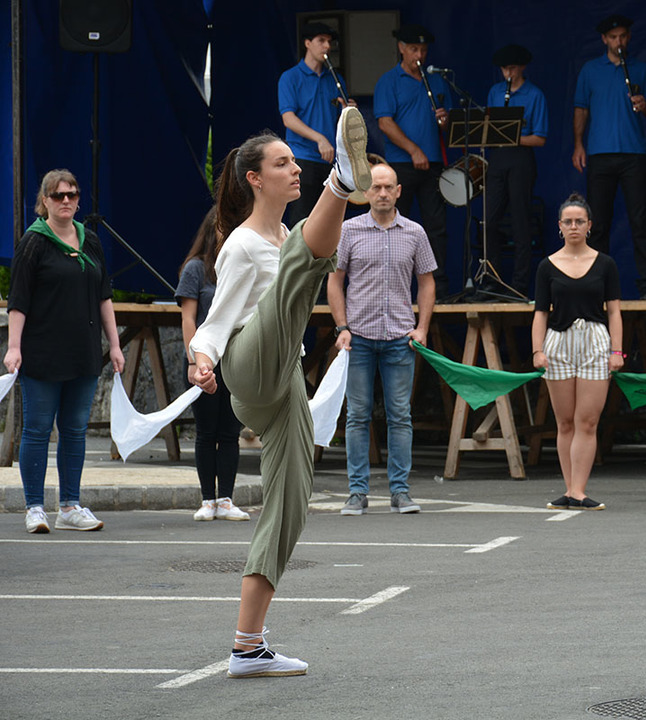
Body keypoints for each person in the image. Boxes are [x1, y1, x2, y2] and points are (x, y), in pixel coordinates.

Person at [188, 107, 371, 677]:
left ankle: (248, 646)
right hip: (248, 365)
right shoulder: (241, 244)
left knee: (290, 504)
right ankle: (342, 181)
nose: (294, 170)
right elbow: (217, 322)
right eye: (283, 163)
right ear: (255, 179)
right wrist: (200, 360)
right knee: (299, 268)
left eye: (296, 162)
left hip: (284, 375)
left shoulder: (288, 234)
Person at [6, 169, 125, 534]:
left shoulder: (90, 241)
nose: (66, 201)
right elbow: (18, 300)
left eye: (72, 194)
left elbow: (104, 296)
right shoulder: (34, 242)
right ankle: (34, 507)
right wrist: (14, 346)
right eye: (58, 195)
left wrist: (114, 344)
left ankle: (70, 506)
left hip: (83, 351)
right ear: (44, 201)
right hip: (42, 352)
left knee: (74, 430)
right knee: (38, 429)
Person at [329, 164, 436, 516]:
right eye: (376, 187)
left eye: (389, 187)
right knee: (357, 415)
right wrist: (341, 327)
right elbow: (334, 280)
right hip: (358, 336)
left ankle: (400, 492)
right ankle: (357, 492)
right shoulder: (349, 230)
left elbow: (427, 281)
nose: (383, 193)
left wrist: (422, 327)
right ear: (366, 192)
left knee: (400, 415)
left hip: (399, 337)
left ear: (399, 191)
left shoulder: (415, 232)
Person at [533, 193, 623, 510]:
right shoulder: (547, 266)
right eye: (568, 222)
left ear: (589, 226)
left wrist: (617, 351)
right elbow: (540, 313)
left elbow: (614, 311)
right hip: (558, 342)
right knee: (564, 421)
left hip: (595, 341)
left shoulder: (605, 264)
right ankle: (569, 489)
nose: (574, 226)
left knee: (587, 420)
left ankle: (579, 491)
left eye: (579, 221)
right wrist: (537, 350)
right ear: (559, 226)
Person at [572, 14, 646, 299]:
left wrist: (645, 106)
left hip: (634, 153)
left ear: (628, 37)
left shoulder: (641, 69)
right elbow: (581, 109)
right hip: (600, 153)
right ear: (604, 40)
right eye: (613, 37)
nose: (618, 41)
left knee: (640, 220)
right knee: (598, 223)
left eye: (622, 36)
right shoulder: (590, 70)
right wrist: (578, 144)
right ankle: (598, 285)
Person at [176, 207, 249, 522]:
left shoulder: (241, 266)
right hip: (204, 360)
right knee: (206, 431)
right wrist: (194, 361)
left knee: (230, 431)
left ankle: (226, 499)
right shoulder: (196, 268)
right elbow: (188, 319)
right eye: (223, 226)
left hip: (234, 359)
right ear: (211, 230)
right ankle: (208, 499)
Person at [373, 24, 451, 298]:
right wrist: (413, 150)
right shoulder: (389, 81)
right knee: (395, 225)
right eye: (414, 49)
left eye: (424, 50)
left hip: (433, 163)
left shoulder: (436, 81)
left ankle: (439, 288)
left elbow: (447, 125)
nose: (420, 55)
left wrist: (444, 121)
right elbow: (384, 123)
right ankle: (397, 287)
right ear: (402, 49)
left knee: (436, 226)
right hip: (401, 165)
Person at [483, 43, 548, 296]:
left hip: (521, 158)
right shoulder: (495, 91)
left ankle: (519, 285)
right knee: (489, 220)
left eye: (512, 68)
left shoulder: (535, 95)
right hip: (498, 157)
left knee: (521, 222)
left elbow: (540, 138)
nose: (507, 73)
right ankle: (493, 279)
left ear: (521, 67)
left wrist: (512, 136)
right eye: (504, 69)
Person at [279, 21, 355, 229]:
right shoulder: (290, 77)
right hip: (302, 158)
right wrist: (319, 138)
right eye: (321, 41)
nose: (327, 46)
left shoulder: (335, 78)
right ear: (307, 43)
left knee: (331, 220)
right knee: (302, 220)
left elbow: (339, 121)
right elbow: (288, 119)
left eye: (329, 42)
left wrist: (348, 112)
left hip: (331, 159)